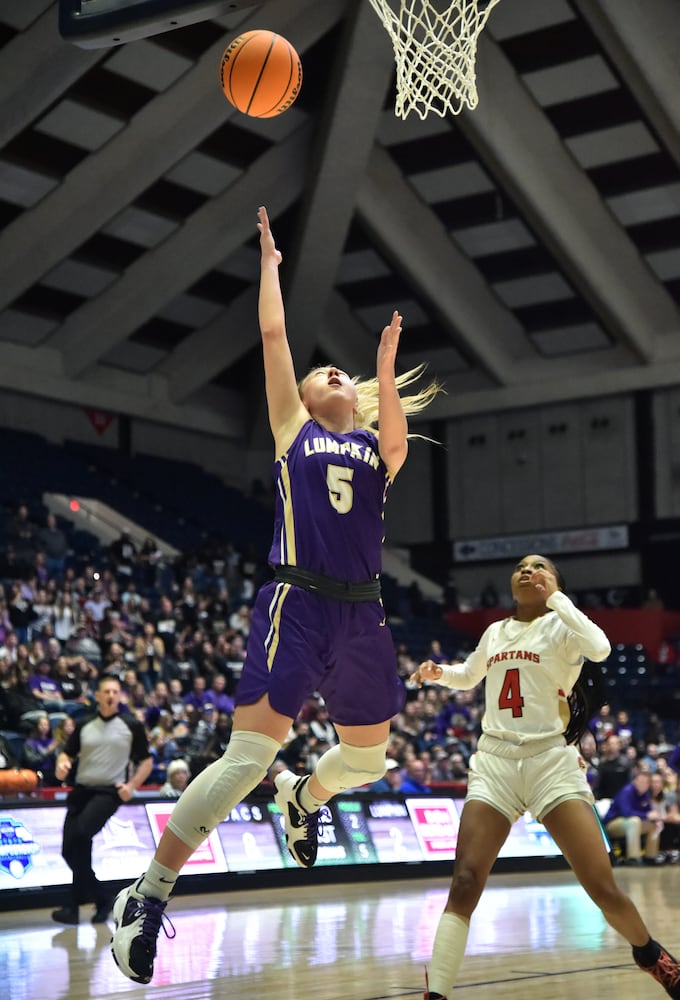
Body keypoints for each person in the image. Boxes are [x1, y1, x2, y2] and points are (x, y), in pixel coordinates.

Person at [110, 204, 441, 984]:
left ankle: (303, 797)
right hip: (295, 602)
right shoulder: (292, 427)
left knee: (367, 760)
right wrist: (269, 268)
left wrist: (385, 370)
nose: (330, 372)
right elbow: (272, 338)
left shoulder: (370, 447)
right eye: (321, 369)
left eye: (340, 373)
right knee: (246, 754)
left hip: (362, 611)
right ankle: (148, 893)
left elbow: (396, 437)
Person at [409, 554, 680, 1000]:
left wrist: (555, 599)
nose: (527, 571)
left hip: (551, 762)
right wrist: (441, 674)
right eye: (520, 567)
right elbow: (470, 674)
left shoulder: (564, 627)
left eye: (540, 567)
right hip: (495, 761)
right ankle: (436, 994)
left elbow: (601, 648)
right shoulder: (495, 631)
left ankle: (649, 953)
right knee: (465, 881)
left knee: (601, 885)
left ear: (556, 582)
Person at [51, 675, 152, 926]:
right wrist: (61, 765)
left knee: (81, 835)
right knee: (69, 850)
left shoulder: (131, 725)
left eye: (115, 691)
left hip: (108, 792)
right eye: (106, 691)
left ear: (120, 696)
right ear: (97, 695)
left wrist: (132, 786)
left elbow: (147, 761)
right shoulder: (84, 723)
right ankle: (96, 899)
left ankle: (78, 904)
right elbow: (66, 753)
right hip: (81, 790)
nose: (110, 695)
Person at [603, 764, 665, 865]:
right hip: (613, 824)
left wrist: (656, 819)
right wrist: (647, 816)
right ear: (635, 781)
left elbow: (649, 812)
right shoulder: (627, 791)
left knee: (654, 825)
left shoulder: (646, 794)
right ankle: (633, 858)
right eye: (641, 782)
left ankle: (651, 857)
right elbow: (626, 813)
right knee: (634, 821)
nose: (643, 784)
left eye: (646, 782)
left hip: (632, 822)